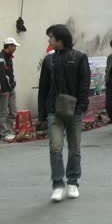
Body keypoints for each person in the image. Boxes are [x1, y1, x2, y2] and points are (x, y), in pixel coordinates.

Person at [38, 24, 91, 202]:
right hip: (54, 110)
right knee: (55, 148)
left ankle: (73, 182)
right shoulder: (48, 60)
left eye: (51, 37)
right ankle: (58, 185)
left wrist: (82, 106)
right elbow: (43, 88)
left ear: (60, 39)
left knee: (74, 148)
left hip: (74, 110)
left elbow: (85, 84)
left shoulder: (79, 57)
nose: (49, 40)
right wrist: (42, 114)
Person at [0, 37, 19, 142]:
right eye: (14, 46)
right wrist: (3, 88)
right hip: (3, 90)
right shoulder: (1, 57)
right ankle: (4, 133)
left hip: (11, 88)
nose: (15, 48)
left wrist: (13, 84)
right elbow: (2, 75)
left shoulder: (9, 58)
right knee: (3, 113)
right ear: (9, 46)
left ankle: (10, 131)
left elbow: (10, 74)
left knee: (13, 111)